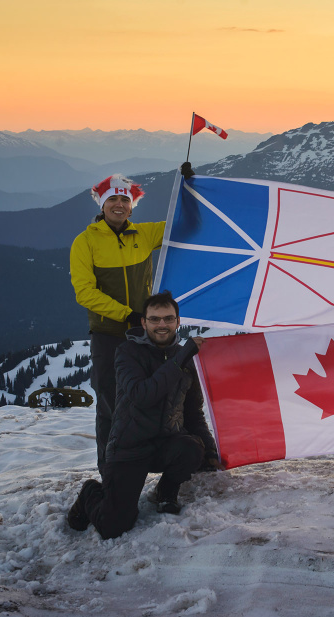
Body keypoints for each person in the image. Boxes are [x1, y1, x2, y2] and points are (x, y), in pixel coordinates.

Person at [67, 292, 222, 540]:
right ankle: (90, 493)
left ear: (178, 321)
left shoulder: (184, 357)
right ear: (144, 323)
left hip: (166, 443)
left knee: (193, 448)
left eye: (168, 319)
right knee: (114, 527)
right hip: (130, 447)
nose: (162, 325)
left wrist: (211, 453)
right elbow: (143, 395)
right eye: (155, 319)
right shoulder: (127, 352)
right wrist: (181, 357)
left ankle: (165, 492)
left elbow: (193, 411)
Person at [70, 174, 165, 473]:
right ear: (102, 203)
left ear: (132, 205)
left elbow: (187, 226)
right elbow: (84, 292)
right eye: (113, 199)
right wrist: (126, 315)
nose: (119, 204)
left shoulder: (145, 235)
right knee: (111, 405)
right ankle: (110, 470)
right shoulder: (85, 242)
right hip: (109, 335)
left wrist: (189, 187)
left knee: (151, 400)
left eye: (125, 199)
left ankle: (147, 464)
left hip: (146, 335)